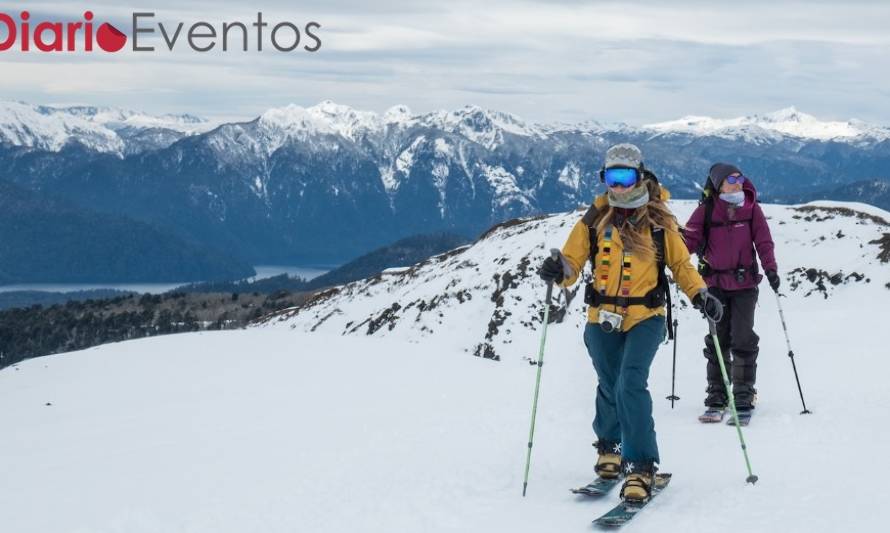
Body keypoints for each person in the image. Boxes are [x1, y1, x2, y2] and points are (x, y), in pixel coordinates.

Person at [538, 144, 722, 503]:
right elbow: (572, 264)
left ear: (640, 176)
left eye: (625, 177)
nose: (618, 186)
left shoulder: (658, 221)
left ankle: (640, 465)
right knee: (610, 383)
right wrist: (559, 271)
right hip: (600, 319)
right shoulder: (593, 220)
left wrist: (701, 295)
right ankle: (610, 446)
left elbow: (682, 266)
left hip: (646, 317)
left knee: (630, 383)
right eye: (611, 178)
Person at [682, 163, 779, 422]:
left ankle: (744, 394)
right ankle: (717, 395)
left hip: (745, 284)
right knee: (718, 339)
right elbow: (686, 243)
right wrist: (668, 257)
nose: (737, 182)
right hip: (714, 286)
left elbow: (764, 241)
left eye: (740, 177)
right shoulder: (706, 211)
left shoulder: (751, 208)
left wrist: (770, 269)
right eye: (731, 179)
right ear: (718, 185)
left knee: (743, 339)